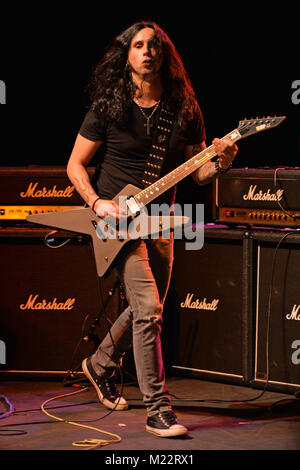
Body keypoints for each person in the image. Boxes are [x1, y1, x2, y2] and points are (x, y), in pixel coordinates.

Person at [67, 21, 238, 438]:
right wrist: (96, 202)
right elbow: (74, 165)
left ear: (165, 56)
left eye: (154, 46)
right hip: (116, 221)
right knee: (149, 308)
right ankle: (157, 409)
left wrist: (222, 160)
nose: (147, 52)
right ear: (126, 56)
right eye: (138, 45)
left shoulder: (184, 107)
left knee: (147, 309)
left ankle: (100, 363)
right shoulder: (109, 104)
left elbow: (197, 173)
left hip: (161, 221)